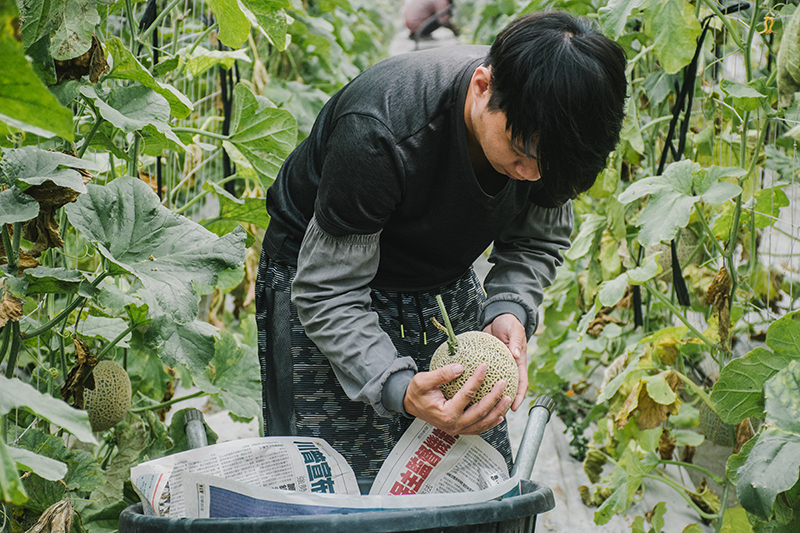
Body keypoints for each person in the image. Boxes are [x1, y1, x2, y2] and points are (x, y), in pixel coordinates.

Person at [256, 11, 627, 479]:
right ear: (481, 87)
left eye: (548, 170)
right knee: (334, 482)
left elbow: (537, 239)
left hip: (440, 283)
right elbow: (327, 291)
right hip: (323, 283)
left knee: (467, 471)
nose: (532, 177)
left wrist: (510, 307)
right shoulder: (380, 134)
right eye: (522, 155)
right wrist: (397, 384)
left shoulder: (553, 146)